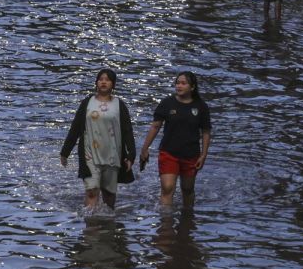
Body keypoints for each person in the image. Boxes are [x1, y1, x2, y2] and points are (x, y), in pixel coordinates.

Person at [60, 69, 136, 211]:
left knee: (109, 193)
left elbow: (127, 131)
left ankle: (108, 222)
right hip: (89, 154)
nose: (103, 82)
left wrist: (131, 154)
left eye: (107, 79)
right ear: (96, 83)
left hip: (112, 155)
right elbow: (75, 128)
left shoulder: (119, 105)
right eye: (100, 79)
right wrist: (65, 152)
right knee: (92, 190)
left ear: (113, 84)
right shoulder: (87, 102)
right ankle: (90, 226)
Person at [138, 72, 211, 209]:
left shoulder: (201, 106)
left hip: (191, 154)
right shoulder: (167, 103)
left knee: (187, 189)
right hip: (168, 152)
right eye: (177, 83)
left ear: (192, 87)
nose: (179, 86)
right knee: (167, 187)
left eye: (183, 83)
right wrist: (145, 148)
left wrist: (204, 154)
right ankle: (166, 222)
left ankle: (188, 216)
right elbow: (155, 126)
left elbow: (206, 131)